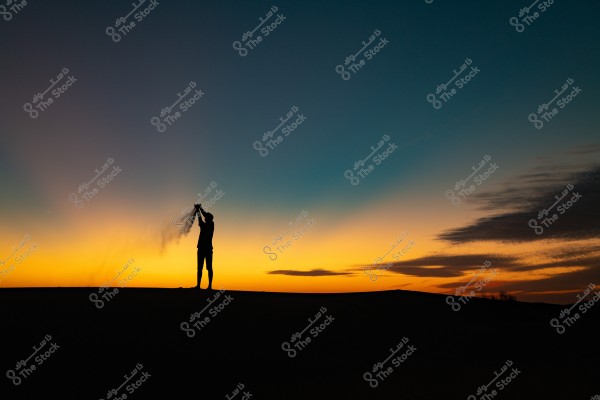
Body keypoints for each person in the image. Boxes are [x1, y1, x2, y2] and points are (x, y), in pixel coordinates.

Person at [193, 203, 214, 290]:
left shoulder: (211, 224)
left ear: (210, 218)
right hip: (202, 249)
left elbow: (203, 216)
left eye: (207, 217)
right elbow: (200, 218)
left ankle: (209, 286)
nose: (205, 217)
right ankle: (198, 285)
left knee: (209, 267)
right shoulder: (204, 225)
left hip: (207, 249)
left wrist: (200, 208)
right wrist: (198, 210)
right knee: (200, 268)